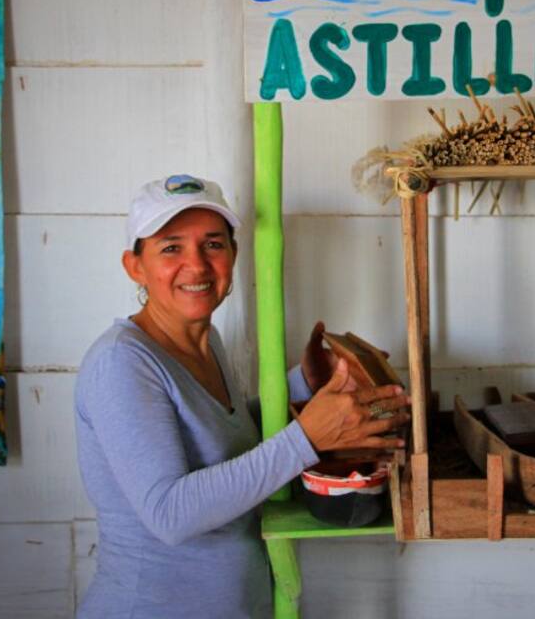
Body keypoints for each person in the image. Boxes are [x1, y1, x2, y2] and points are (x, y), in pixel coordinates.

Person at [74, 174, 408, 618]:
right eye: (171, 247)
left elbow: (225, 442)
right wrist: (305, 440)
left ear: (232, 256)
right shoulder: (122, 362)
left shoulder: (206, 341)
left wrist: (304, 383)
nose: (196, 264)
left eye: (213, 244)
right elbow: (170, 514)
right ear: (135, 266)